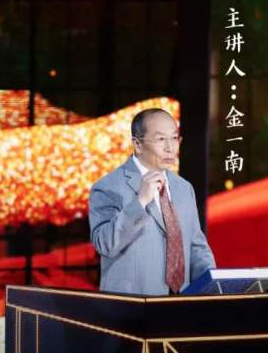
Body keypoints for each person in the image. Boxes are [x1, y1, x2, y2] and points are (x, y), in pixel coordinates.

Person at [89, 108, 215, 295]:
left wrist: (213, 285)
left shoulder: (184, 188)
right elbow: (105, 244)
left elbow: (196, 246)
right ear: (137, 144)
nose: (170, 148)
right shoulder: (108, 187)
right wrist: (140, 202)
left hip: (181, 303)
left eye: (174, 138)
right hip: (133, 305)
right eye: (161, 139)